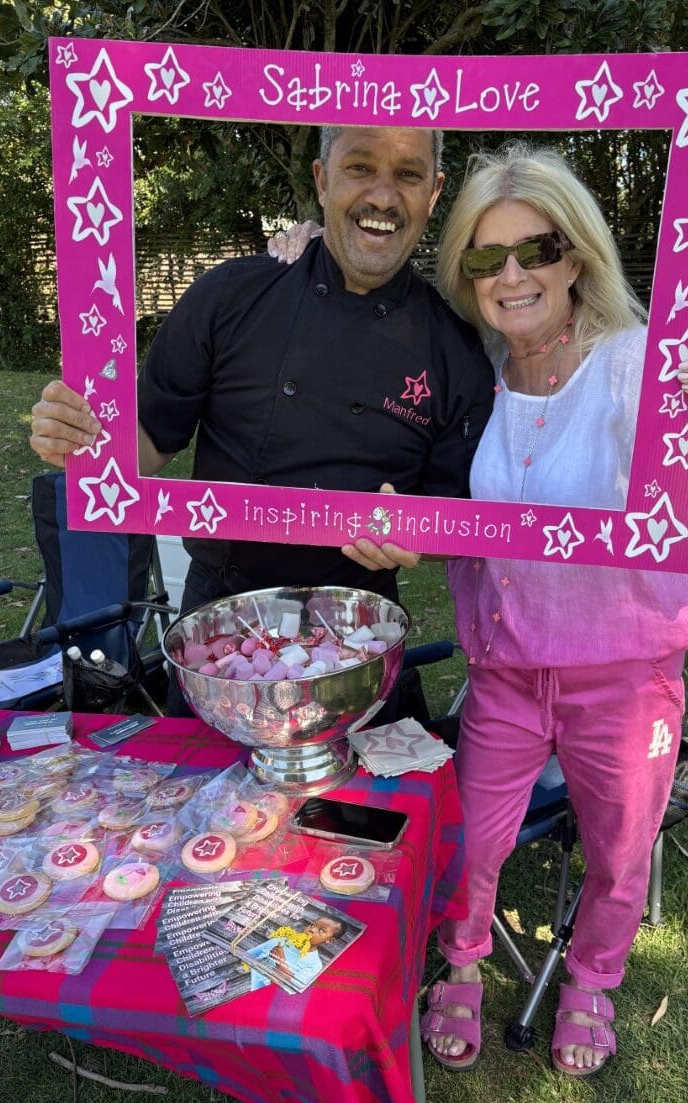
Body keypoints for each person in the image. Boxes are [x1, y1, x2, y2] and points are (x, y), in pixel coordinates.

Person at [408, 144, 688, 1075]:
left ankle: (590, 983)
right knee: (472, 836)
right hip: (505, 667)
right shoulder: (477, 373)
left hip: (624, 674)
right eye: (486, 257)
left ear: (575, 256)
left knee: (618, 850)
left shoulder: (640, 362)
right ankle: (461, 962)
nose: (512, 276)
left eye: (535, 249)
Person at [29, 125, 495, 711]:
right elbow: (147, 442)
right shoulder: (231, 295)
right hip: (220, 628)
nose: (383, 195)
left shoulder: (456, 351)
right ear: (321, 181)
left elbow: (452, 523)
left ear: (433, 194)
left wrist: (415, 538)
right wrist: (82, 439)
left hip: (360, 636)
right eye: (359, 167)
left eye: (408, 174)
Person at [245, 916, 345, 991]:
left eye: (321, 930)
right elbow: (248, 956)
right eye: (312, 925)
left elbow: (291, 987)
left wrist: (280, 961)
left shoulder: (315, 965)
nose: (311, 929)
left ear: (329, 940)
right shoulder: (280, 941)